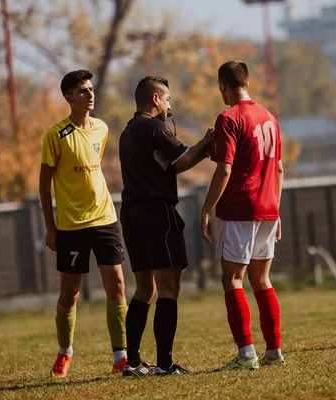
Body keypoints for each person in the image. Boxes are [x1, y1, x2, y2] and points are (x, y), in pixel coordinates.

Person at [119, 76, 213, 376]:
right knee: (169, 287)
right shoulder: (154, 126)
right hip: (157, 212)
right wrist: (207, 142)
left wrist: (199, 150)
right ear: (156, 99)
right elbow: (183, 159)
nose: (170, 105)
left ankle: (132, 362)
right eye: (168, 99)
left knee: (144, 288)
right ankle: (164, 363)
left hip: (132, 213)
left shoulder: (128, 131)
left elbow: (172, 163)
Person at [39, 69, 128, 379]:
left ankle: (121, 356)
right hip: (72, 226)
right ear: (68, 97)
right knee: (70, 294)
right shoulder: (55, 135)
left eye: (91, 89)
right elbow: (44, 185)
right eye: (82, 91)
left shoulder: (101, 128)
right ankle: (65, 352)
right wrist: (51, 227)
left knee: (116, 285)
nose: (90, 95)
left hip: (105, 218)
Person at [200, 60, 285, 371]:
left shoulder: (228, 117)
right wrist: (276, 208)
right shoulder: (270, 117)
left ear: (224, 86)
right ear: (247, 82)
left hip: (240, 208)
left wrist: (207, 208)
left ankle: (247, 354)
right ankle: (274, 352)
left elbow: (225, 169)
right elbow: (277, 168)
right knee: (261, 279)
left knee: (233, 279)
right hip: (268, 208)